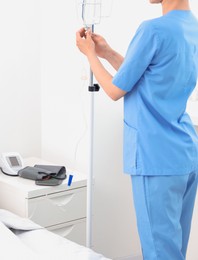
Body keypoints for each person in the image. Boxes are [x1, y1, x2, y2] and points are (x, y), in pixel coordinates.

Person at [76, 1, 198, 260]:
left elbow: (114, 90)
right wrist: (106, 53)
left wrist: (89, 55)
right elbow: (145, 76)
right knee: (174, 251)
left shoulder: (153, 30)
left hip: (155, 156)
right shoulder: (192, 27)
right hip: (185, 154)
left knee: (159, 254)